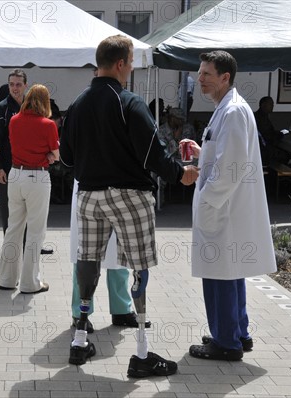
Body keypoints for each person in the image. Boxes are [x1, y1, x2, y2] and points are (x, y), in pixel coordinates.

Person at [60, 35, 198, 374]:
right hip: (129, 195)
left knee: (87, 263)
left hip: (89, 196)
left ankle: (79, 340)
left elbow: (65, 157)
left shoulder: (77, 104)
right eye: (131, 61)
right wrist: (180, 174)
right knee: (139, 267)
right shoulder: (129, 102)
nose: (132, 67)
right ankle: (141, 352)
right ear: (120, 63)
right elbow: (153, 152)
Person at [185, 50, 276, 361]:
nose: (200, 80)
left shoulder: (233, 111)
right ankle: (237, 332)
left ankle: (226, 342)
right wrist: (201, 151)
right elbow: (223, 154)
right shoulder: (227, 108)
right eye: (200, 74)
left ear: (225, 77)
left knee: (221, 274)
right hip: (224, 209)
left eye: (207, 74)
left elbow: (230, 167)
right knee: (230, 272)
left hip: (223, 210)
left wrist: (207, 199)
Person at [0, 84, 59, 294]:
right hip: (37, 176)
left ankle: (7, 278)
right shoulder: (48, 124)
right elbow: (56, 155)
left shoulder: (14, 120)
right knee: (35, 232)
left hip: (16, 173)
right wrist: (50, 156)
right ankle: (29, 282)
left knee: (13, 228)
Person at [69, 181, 152, 332]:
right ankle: (80, 313)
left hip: (119, 187)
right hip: (89, 186)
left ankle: (121, 309)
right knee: (86, 257)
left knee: (119, 256)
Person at [0, 69, 28, 235]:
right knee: (9, 210)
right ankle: (10, 245)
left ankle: (30, 243)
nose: (15, 88)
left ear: (25, 85)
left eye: (19, 84)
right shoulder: (1, 108)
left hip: (30, 168)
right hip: (7, 168)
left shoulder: (32, 106)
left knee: (30, 208)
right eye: (12, 84)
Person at [254, 96, 283, 166]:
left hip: (262, 149)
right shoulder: (260, 118)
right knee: (284, 155)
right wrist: (279, 135)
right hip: (263, 150)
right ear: (263, 105)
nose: (272, 106)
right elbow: (267, 135)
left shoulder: (262, 116)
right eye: (270, 104)